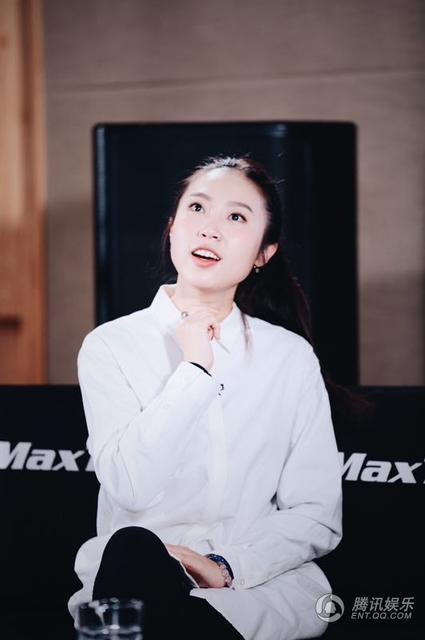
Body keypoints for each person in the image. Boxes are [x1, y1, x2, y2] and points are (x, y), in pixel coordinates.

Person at [68, 155, 344, 640]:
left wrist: (226, 565)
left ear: (264, 252)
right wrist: (195, 370)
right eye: (197, 208)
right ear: (172, 228)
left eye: (236, 217)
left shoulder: (289, 357)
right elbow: (129, 486)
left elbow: (316, 513)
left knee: (221, 617)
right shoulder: (110, 345)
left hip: (253, 583)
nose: (209, 229)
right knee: (136, 555)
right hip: (138, 574)